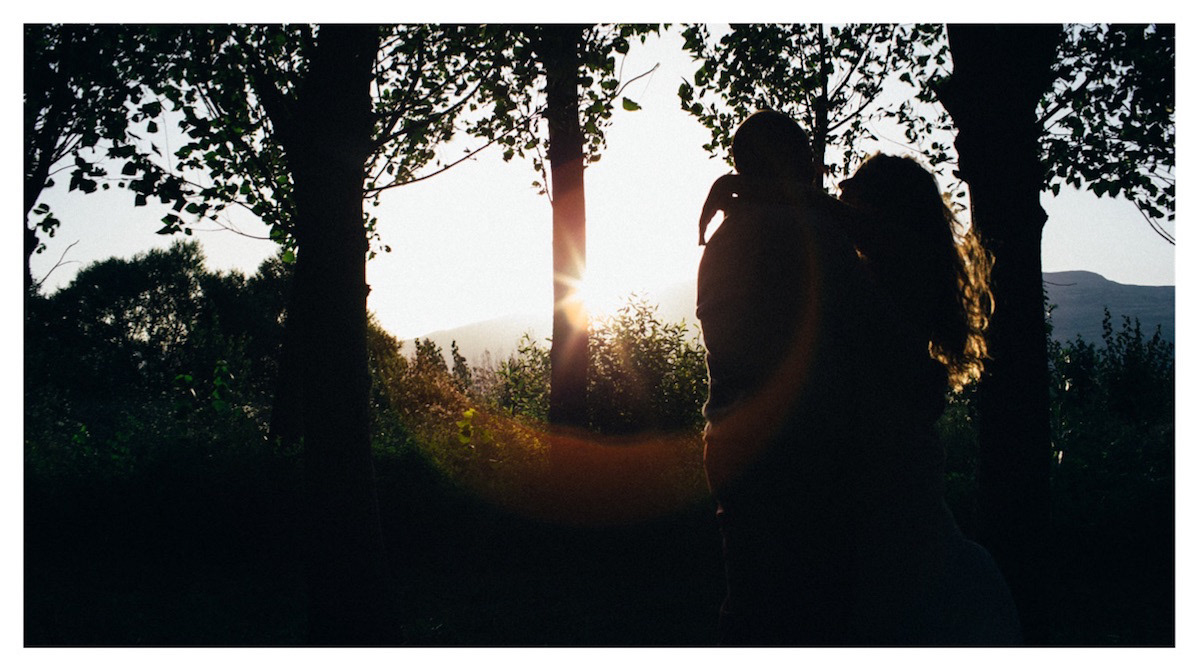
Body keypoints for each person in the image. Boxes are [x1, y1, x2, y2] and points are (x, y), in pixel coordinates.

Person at [695, 111, 1020, 645]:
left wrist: (766, 190)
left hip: (762, 459)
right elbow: (903, 368)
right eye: (810, 164)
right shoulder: (820, 243)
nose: (829, 184)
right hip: (814, 473)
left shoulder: (742, 239)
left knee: (768, 610)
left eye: (851, 193)